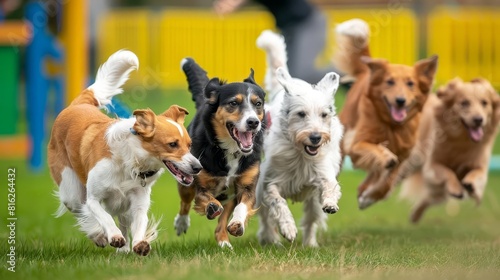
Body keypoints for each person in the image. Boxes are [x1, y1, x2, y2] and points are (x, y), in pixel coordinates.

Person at [214, 0, 338, 84]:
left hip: (307, 24)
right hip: (288, 29)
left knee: (302, 75)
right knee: (287, 79)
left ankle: (344, 71)